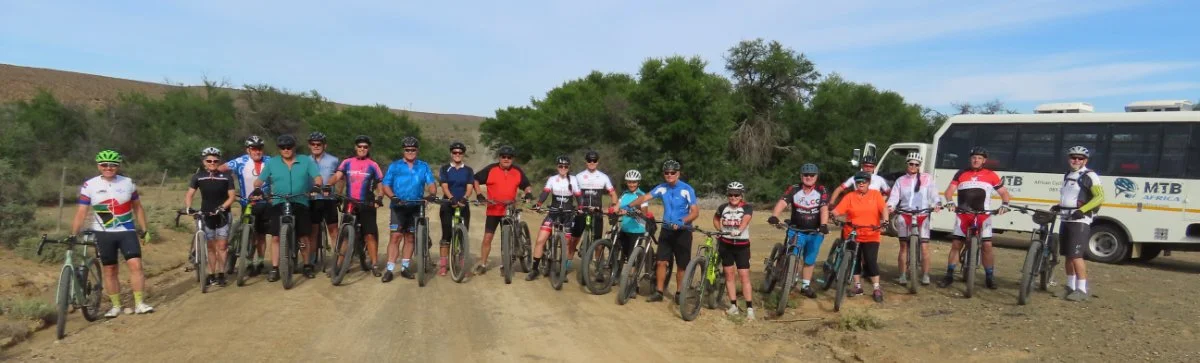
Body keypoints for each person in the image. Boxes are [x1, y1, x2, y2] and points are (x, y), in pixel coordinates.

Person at [72, 150, 154, 317]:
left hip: (126, 230)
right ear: (98, 166)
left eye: (112, 165)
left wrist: (145, 229)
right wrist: (74, 233)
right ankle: (116, 306)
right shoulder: (90, 185)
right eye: (104, 165)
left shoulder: (128, 183)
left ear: (118, 166)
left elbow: (137, 207)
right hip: (104, 232)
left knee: (136, 265)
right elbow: (81, 212)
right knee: (110, 270)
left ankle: (139, 303)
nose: (108, 168)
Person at [938, 146, 1011, 290]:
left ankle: (989, 277)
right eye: (973, 157)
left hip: (983, 215)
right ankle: (949, 275)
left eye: (979, 158)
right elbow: (949, 192)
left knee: (987, 246)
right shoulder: (961, 173)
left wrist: (1005, 204)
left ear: (984, 161)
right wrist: (951, 202)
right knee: (956, 245)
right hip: (963, 214)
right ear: (970, 159)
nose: (976, 160)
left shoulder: (991, 175)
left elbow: (1004, 193)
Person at [627, 160, 699, 304]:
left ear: (678, 173)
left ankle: (679, 293)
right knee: (661, 262)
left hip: (683, 231)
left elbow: (695, 212)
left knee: (681, 265)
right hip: (666, 230)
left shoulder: (687, 189)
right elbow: (645, 197)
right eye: (667, 173)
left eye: (673, 172)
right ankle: (659, 292)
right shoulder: (662, 188)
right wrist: (630, 205)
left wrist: (683, 221)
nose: (670, 175)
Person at [254, 134, 323, 282]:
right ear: (279, 149)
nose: (286, 150)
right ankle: (274, 268)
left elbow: (317, 177)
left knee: (303, 235)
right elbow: (259, 180)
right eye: (282, 147)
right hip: (279, 201)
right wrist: (258, 189)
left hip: (300, 200)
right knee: (276, 237)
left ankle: (306, 265)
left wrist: (317, 186)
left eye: (289, 147)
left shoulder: (305, 160)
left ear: (294, 147)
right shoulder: (273, 163)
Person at [767, 163, 829, 299]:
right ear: (801, 176)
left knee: (809, 259)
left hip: (815, 231)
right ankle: (790, 278)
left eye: (811, 175)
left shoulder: (821, 190)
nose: (808, 177)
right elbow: (783, 202)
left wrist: (824, 224)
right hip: (796, 230)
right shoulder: (794, 189)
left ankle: (805, 285)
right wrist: (774, 216)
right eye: (805, 175)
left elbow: (824, 208)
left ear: (816, 177)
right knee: (793, 255)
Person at [380, 136, 437, 282]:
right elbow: (386, 184)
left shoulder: (423, 166)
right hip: (399, 206)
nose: (410, 152)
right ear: (403, 150)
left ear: (417, 150)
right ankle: (390, 269)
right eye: (407, 150)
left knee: (410, 237)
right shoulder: (395, 166)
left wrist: (431, 193)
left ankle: (405, 267)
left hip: (416, 205)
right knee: (395, 236)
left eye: (413, 149)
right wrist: (392, 196)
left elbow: (431, 182)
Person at [328, 135, 385, 276]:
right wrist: (327, 186)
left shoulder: (373, 165)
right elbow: (337, 176)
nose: (362, 149)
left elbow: (380, 184)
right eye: (359, 146)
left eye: (365, 147)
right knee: (345, 234)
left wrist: (379, 197)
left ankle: (374, 265)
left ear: (368, 149)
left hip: (367, 203)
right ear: (355, 147)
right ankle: (339, 265)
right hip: (350, 202)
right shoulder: (347, 162)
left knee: (370, 235)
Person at [472, 145, 533, 275]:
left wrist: (528, 193)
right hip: (494, 209)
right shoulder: (491, 169)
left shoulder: (517, 171)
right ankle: (483, 263)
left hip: (509, 209)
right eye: (503, 157)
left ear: (513, 159)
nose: (506, 159)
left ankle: (506, 264)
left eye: (509, 157)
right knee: (487, 238)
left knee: (508, 238)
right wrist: (479, 194)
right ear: (499, 157)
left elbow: (526, 185)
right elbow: (475, 179)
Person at [1054, 146, 1103, 302]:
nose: (1076, 160)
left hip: (1080, 220)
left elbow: (1099, 197)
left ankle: (1081, 289)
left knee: (1076, 256)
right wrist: (1058, 206)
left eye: (1080, 158)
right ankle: (1070, 286)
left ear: (1085, 161)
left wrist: (1083, 210)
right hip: (1066, 217)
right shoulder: (1068, 174)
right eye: (1073, 157)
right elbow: (1068, 195)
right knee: (1068, 256)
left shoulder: (1090, 176)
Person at [831, 171, 889, 302]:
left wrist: (885, 221)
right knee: (854, 260)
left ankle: (876, 287)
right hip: (852, 232)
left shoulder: (875, 195)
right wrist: (831, 214)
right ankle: (857, 286)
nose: (861, 184)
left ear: (869, 183)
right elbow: (838, 210)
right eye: (858, 182)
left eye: (864, 181)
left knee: (870, 260)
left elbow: (883, 209)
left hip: (871, 233)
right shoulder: (850, 196)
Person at [886, 152, 943, 286]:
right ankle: (902, 275)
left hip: (922, 215)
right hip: (905, 215)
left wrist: (937, 204)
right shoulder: (900, 180)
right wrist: (891, 206)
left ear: (919, 166)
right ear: (907, 164)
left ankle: (925, 275)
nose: (913, 166)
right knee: (903, 247)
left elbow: (934, 194)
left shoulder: (927, 178)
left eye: (916, 164)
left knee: (924, 247)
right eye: (911, 163)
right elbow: (894, 197)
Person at [219, 135, 271, 276]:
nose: (257, 151)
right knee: (248, 235)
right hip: (246, 203)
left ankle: (259, 261)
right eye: (254, 148)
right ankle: (247, 262)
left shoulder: (270, 161)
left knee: (261, 235)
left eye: (259, 148)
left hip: (265, 203)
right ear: (248, 150)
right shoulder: (240, 161)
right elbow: (220, 169)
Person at [183, 147, 236, 287]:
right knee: (211, 247)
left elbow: (232, 197)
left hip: (223, 214)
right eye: (209, 160)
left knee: (222, 246)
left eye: (215, 160)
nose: (212, 163)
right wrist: (188, 207)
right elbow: (189, 194)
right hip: (206, 215)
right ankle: (211, 274)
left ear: (219, 162)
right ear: (204, 162)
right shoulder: (198, 177)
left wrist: (222, 208)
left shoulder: (226, 177)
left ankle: (221, 274)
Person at [526, 155, 582, 281]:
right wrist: (539, 204)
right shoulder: (552, 179)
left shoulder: (573, 179)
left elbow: (578, 195)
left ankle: (562, 270)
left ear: (569, 168)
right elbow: (545, 192)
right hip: (553, 213)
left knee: (567, 243)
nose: (563, 168)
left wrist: (581, 207)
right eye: (560, 166)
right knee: (541, 240)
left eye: (565, 166)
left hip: (568, 214)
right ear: (557, 167)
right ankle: (534, 269)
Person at [715, 182, 754, 320]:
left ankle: (749, 308)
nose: (733, 197)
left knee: (744, 276)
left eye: (736, 194)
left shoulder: (747, 207)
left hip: (742, 246)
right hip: (726, 245)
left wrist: (739, 230)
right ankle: (733, 306)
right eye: (730, 194)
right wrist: (719, 230)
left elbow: (746, 220)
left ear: (741, 195)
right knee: (729, 274)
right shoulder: (722, 207)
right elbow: (716, 218)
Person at [437, 141, 477, 276]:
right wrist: (451, 198)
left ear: (463, 154)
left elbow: (470, 186)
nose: (457, 155)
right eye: (455, 152)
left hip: (463, 205)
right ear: (451, 153)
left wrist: (465, 198)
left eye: (460, 153)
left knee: (462, 236)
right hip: (448, 205)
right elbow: (444, 185)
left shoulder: (468, 170)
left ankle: (462, 265)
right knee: (446, 235)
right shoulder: (445, 168)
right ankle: (443, 265)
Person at [572, 150, 618, 266]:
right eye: (589, 160)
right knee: (574, 240)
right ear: (586, 162)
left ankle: (598, 266)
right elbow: (570, 192)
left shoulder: (603, 177)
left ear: (598, 162)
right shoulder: (579, 177)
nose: (592, 162)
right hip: (582, 211)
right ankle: (567, 263)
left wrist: (613, 207)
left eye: (594, 160)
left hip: (597, 212)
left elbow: (612, 193)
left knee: (598, 242)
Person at [613, 170, 652, 283]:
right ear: (626, 182)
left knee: (632, 257)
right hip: (624, 229)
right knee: (620, 251)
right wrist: (615, 210)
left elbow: (644, 213)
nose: (632, 184)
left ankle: (632, 282)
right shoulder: (624, 194)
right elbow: (617, 207)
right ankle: (617, 274)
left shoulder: (641, 195)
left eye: (634, 182)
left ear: (638, 183)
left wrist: (633, 211)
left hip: (637, 230)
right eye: (630, 182)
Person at [307, 132, 340, 254]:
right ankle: (311, 259)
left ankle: (337, 259)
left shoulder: (334, 160)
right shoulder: (305, 160)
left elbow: (340, 178)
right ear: (309, 145)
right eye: (313, 144)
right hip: (312, 200)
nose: (316, 146)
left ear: (324, 145)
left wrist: (338, 194)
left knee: (333, 230)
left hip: (328, 199)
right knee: (313, 231)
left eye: (318, 144)